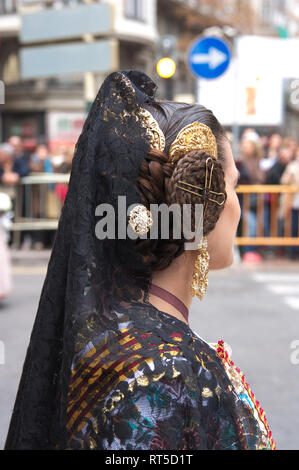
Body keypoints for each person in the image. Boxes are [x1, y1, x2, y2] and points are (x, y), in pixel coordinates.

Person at [4, 71, 276, 450]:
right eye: (234, 185)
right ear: (202, 201)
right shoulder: (168, 373)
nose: (239, 204)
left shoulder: (116, 335)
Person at [236, 138, 266, 263]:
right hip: (243, 200)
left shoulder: (259, 162)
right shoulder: (239, 162)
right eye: (245, 145)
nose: (246, 148)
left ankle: (252, 251)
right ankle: (247, 252)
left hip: (257, 199)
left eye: (249, 145)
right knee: (249, 225)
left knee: (257, 225)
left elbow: (262, 177)